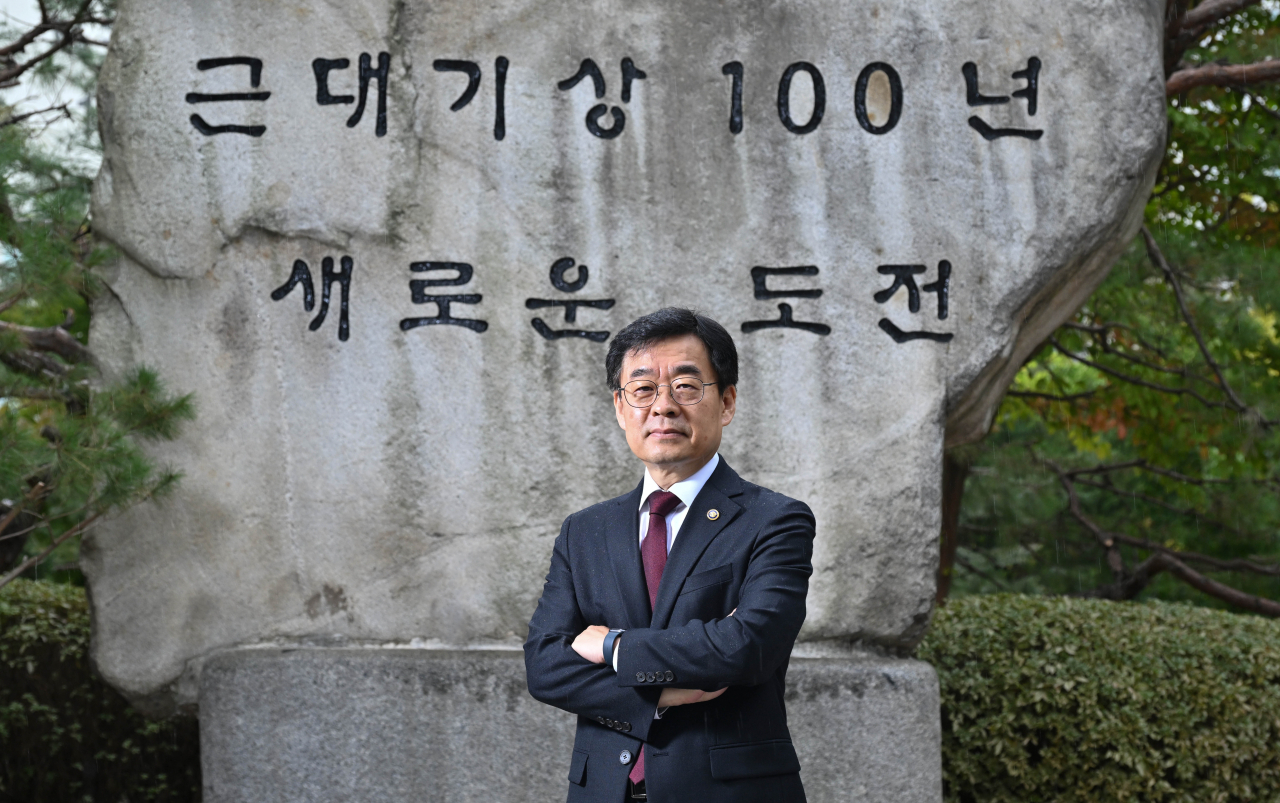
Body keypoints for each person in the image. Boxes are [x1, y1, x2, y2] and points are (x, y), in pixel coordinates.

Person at [524, 307, 815, 802]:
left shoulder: (774, 520)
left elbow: (746, 647)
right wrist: (657, 695)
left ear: (726, 402)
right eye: (642, 389)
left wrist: (614, 647)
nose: (663, 406)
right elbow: (545, 665)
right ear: (620, 408)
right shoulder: (585, 531)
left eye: (685, 387)